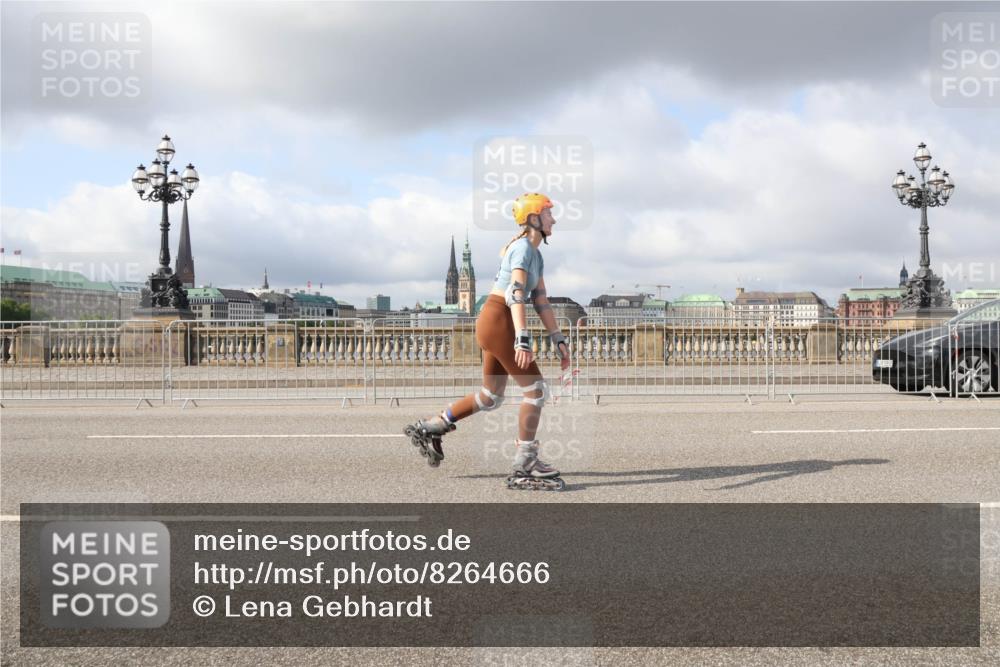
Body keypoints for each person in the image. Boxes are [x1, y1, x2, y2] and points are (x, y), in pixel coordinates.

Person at [404, 193, 571, 490]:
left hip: (494, 320)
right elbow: (516, 294)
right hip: (499, 320)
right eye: (549, 214)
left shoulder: (536, 254)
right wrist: (522, 338)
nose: (554, 219)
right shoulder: (522, 249)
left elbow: (541, 300)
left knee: (491, 395)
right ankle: (525, 462)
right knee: (536, 391)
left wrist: (557, 337)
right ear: (534, 218)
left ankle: (434, 426)